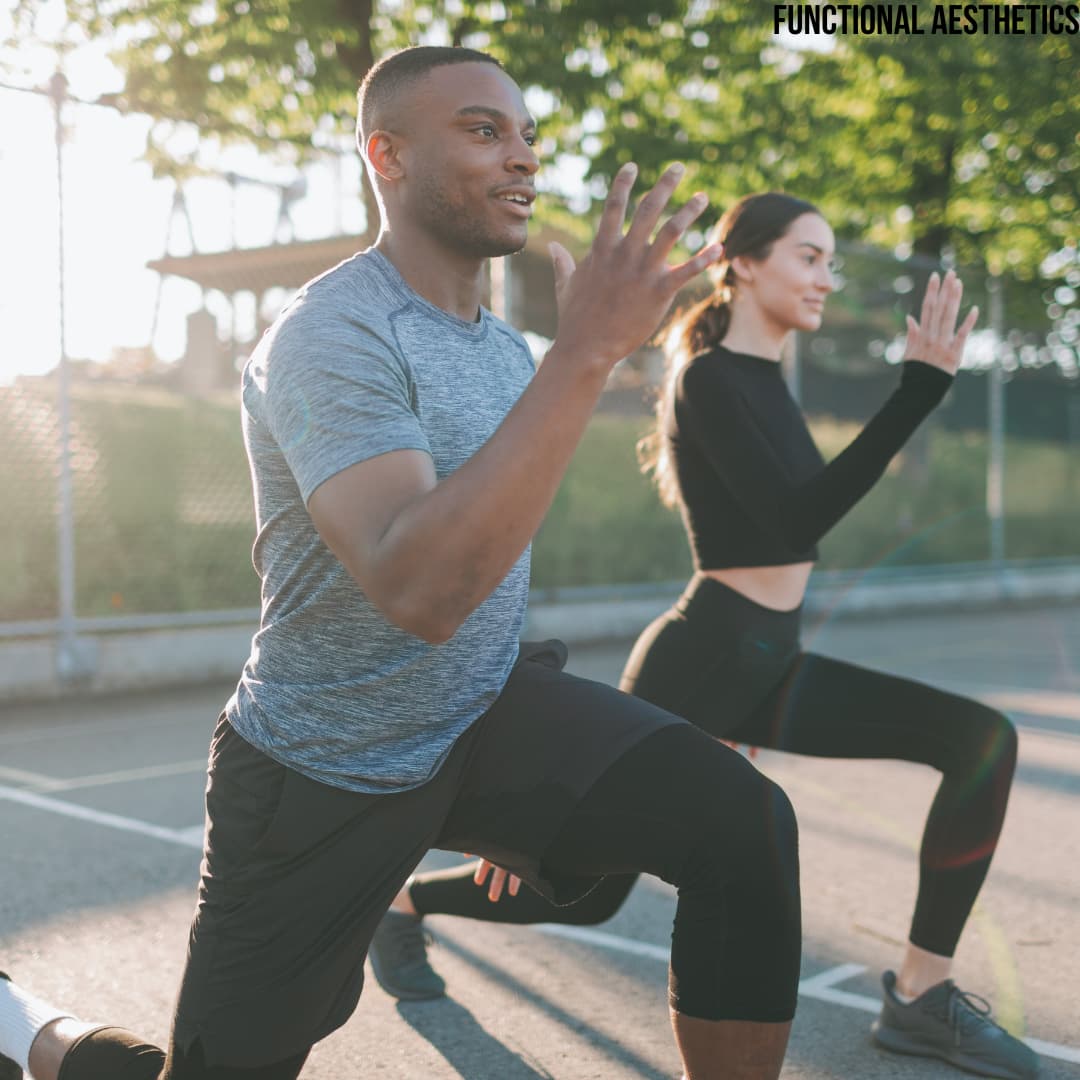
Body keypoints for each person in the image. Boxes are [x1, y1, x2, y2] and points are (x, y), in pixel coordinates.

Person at [0, 50, 805, 1080]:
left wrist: (529, 785)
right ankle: (32, 1032)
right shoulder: (329, 335)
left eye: (526, 135)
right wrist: (585, 355)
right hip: (322, 765)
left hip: (478, 719)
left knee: (742, 822)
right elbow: (419, 590)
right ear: (387, 155)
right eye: (483, 130)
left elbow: (493, 560)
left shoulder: (506, 352)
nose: (522, 156)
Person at [371, 193, 1040, 1080]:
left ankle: (921, 995)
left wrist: (918, 391)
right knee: (584, 893)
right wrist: (917, 390)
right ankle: (405, 904)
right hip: (704, 659)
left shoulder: (765, 381)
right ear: (745, 263)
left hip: (772, 660)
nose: (825, 278)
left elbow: (797, 521)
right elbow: (796, 520)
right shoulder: (710, 380)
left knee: (980, 740)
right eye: (808, 256)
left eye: (830, 260)